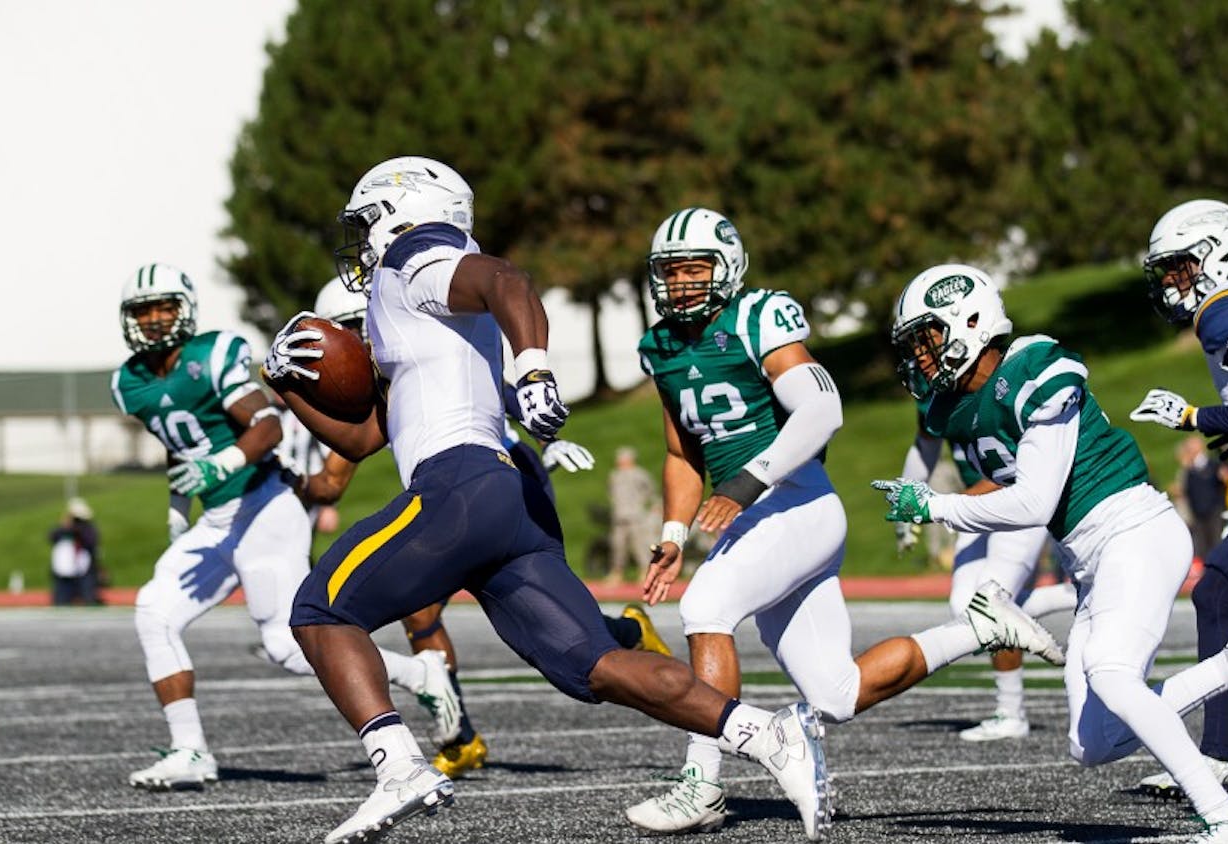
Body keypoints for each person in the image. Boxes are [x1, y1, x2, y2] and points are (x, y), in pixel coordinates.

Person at [265, 158, 833, 844]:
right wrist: (285, 382)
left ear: (401, 211)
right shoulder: (420, 313)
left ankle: (399, 769)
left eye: (365, 224)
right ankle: (767, 735)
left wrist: (534, 367)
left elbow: (507, 280)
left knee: (320, 610)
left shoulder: (414, 256)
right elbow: (362, 438)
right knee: (596, 667)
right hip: (502, 502)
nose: (360, 243)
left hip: (459, 486)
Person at [626, 210, 1065, 835]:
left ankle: (703, 785)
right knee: (836, 692)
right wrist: (673, 534)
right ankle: (982, 628)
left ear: (729, 266)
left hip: (795, 500)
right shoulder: (661, 348)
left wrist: (748, 481)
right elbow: (681, 454)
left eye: (696, 269)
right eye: (671, 272)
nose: (682, 283)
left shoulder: (755, 318)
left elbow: (822, 408)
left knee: (705, 607)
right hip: (761, 517)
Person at [873, 262, 1228, 844]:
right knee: (1093, 743)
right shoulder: (958, 408)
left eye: (927, 337)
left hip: (1134, 529)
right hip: (1091, 559)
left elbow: (1034, 501)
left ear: (969, 322)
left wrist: (938, 507)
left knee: (1112, 672)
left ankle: (1227, 822)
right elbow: (1016, 490)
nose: (921, 354)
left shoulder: (1035, 367)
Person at [292, 273, 672, 782]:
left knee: (541, 627)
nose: (355, 340)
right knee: (455, 613)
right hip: (454, 495)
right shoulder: (387, 383)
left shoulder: (417, 346)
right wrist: (284, 466)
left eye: (355, 327)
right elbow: (336, 475)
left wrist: (549, 438)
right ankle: (463, 734)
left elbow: (502, 385)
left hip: (504, 477)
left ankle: (466, 729)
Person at [111, 262, 459, 791]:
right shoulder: (129, 382)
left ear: (186, 309)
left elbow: (266, 426)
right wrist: (179, 506)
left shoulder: (214, 355)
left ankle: (421, 674)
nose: (155, 319)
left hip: (264, 508)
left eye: (165, 307)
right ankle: (190, 751)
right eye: (143, 310)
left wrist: (222, 465)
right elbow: (179, 443)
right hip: (218, 520)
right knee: (153, 613)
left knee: (286, 646)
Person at [1125, 199, 1228, 801]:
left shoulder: (1225, 311)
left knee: (1216, 591)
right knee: (1216, 591)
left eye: (1180, 266)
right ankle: (1216, 756)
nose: (1171, 281)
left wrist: (1194, 416)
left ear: (1218, 256)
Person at [898, 429, 1076, 741]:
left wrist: (939, 505)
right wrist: (906, 508)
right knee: (966, 609)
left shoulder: (1000, 398)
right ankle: (1070, 595)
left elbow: (1019, 470)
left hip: (1019, 501)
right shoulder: (931, 400)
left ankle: (1011, 714)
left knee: (991, 605)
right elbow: (926, 446)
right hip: (976, 504)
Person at [605, 446, 659, 584]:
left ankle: (644, 570)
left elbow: (651, 490)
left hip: (636, 516)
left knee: (639, 545)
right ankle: (617, 572)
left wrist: (650, 504)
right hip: (619, 516)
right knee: (618, 545)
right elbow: (611, 492)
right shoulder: (614, 476)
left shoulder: (640, 474)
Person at [1172, 434, 1228, 561]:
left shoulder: (1212, 465)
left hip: (1214, 510)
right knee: (1202, 547)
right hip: (1197, 512)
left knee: (1216, 541)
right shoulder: (1188, 470)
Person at [48, 496, 102, 606]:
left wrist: (77, 529)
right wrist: (65, 526)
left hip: (84, 573)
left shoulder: (88, 529)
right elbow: (51, 536)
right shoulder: (63, 530)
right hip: (64, 574)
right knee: (61, 603)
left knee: (88, 601)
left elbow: (91, 542)